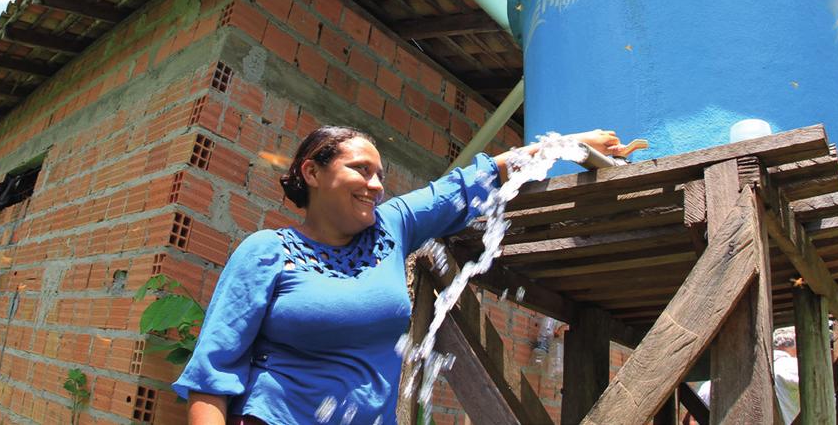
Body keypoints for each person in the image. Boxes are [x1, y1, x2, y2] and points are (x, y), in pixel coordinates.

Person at [172, 125, 629, 424]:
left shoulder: (393, 226)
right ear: (312, 172)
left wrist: (570, 144)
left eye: (380, 175)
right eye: (360, 169)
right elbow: (212, 378)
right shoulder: (266, 252)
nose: (376, 184)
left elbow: (476, 179)